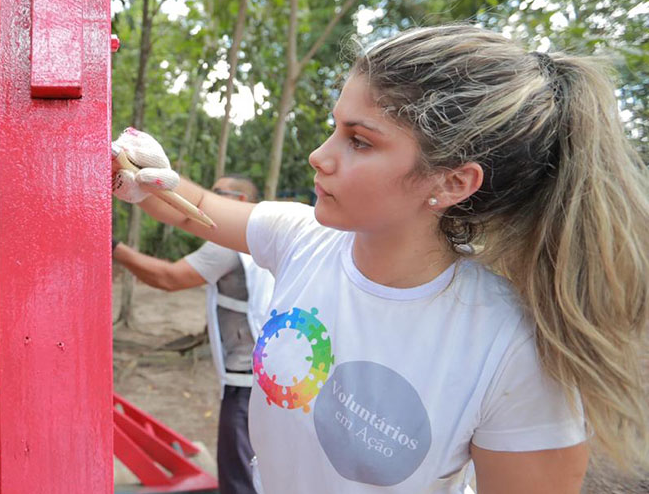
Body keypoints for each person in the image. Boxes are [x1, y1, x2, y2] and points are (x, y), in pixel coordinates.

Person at [111, 25, 649, 493]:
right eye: (334, 126)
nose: (319, 156)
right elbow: (197, 209)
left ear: (453, 182)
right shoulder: (299, 238)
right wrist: (148, 176)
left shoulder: (516, 349)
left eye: (360, 141)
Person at [112, 174, 273, 494]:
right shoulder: (266, 240)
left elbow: (169, 278)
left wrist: (113, 247)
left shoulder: (227, 247)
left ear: (239, 202)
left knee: (238, 476)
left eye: (217, 193)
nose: (208, 198)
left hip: (244, 382)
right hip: (267, 376)